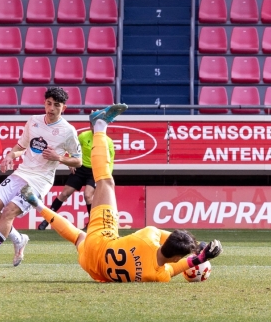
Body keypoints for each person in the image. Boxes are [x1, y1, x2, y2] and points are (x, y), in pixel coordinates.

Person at [21, 104, 223, 283]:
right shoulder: (157, 276)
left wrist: (198, 248)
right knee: (78, 237)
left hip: (101, 242)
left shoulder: (148, 235)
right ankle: (37, 204)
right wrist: (200, 257)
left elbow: (170, 243)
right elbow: (177, 267)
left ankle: (99, 126)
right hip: (92, 267)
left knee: (106, 182)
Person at [0, 87, 82, 270]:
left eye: (56, 106)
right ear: (44, 103)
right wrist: (10, 156)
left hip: (40, 180)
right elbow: (20, 146)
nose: (51, 109)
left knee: (9, 211)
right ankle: (19, 240)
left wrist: (59, 158)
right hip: (21, 173)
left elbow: (78, 161)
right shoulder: (33, 121)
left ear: (63, 108)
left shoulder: (68, 131)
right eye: (48, 104)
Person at [38, 129, 115, 231]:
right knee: (64, 194)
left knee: (88, 195)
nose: (93, 127)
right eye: (92, 124)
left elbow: (111, 161)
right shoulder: (83, 136)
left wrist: (106, 176)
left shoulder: (107, 141)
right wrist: (71, 161)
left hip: (95, 171)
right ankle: (47, 220)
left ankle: (91, 223)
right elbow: (74, 149)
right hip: (80, 169)